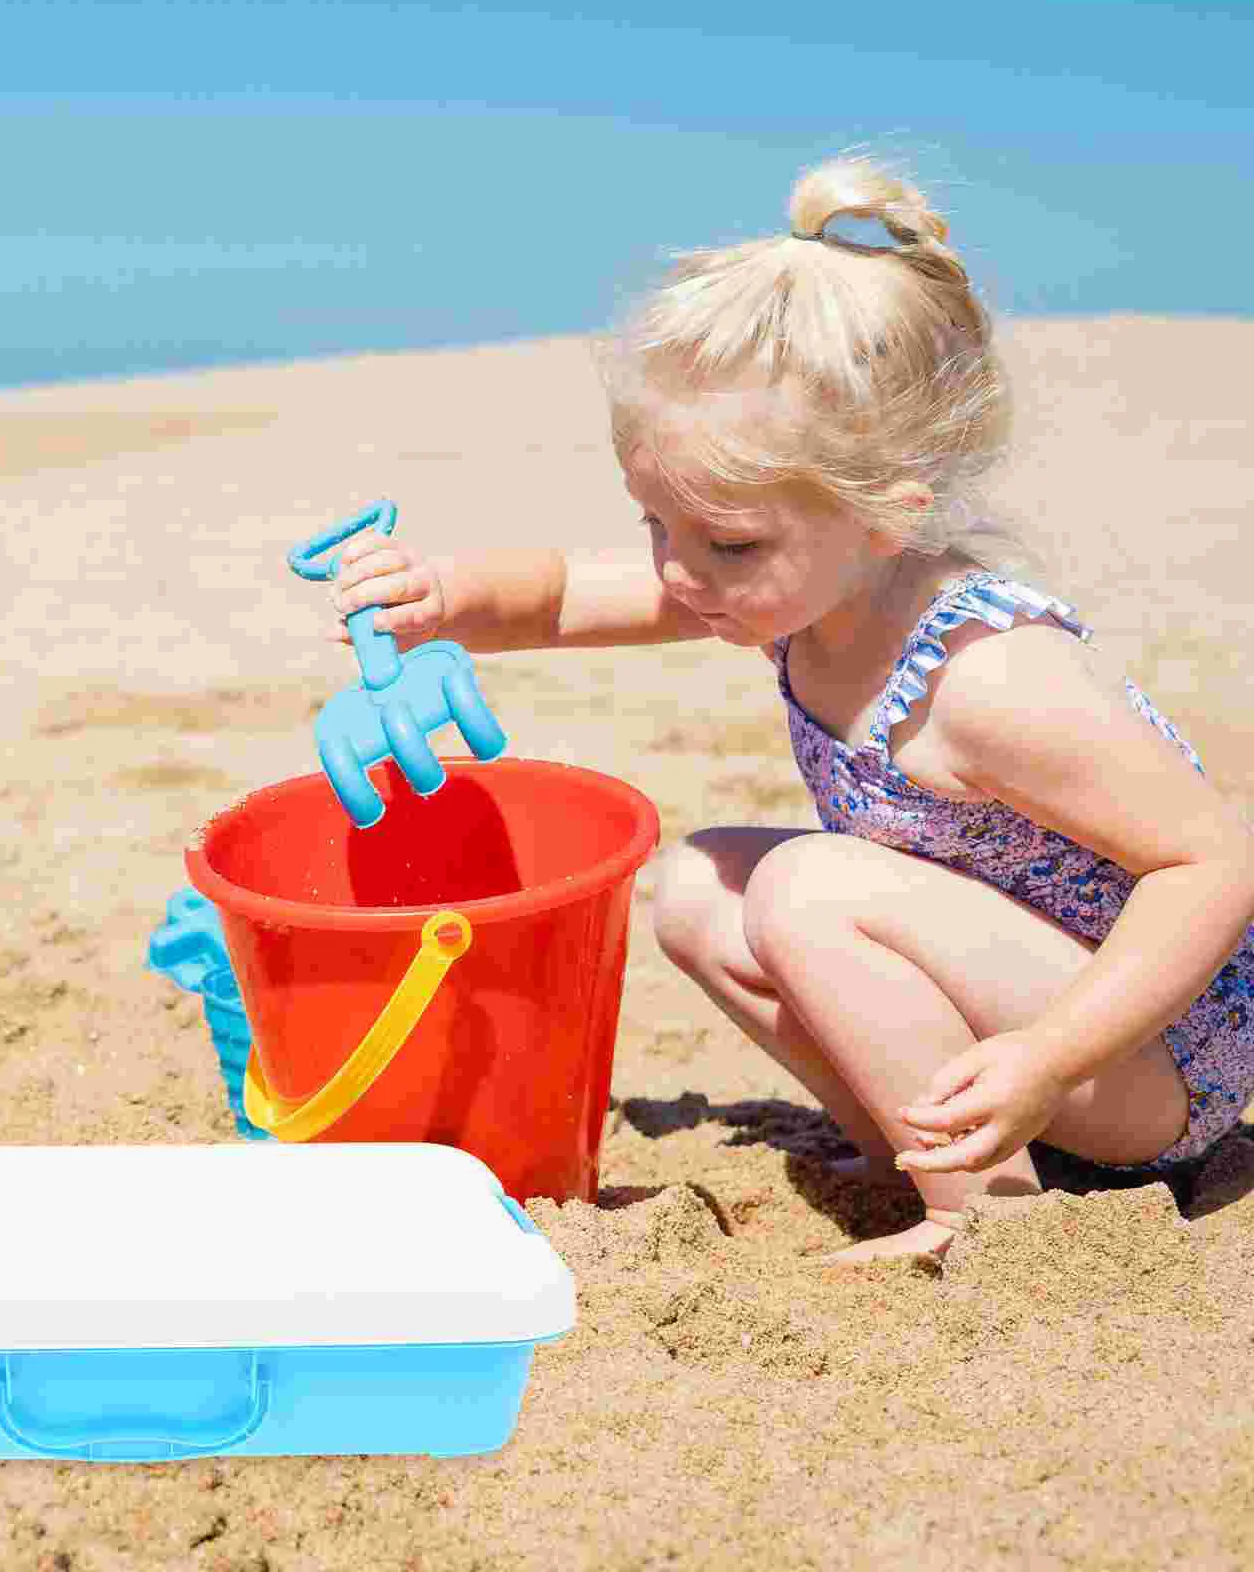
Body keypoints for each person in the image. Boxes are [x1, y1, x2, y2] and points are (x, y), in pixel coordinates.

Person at [320, 155, 1254, 1263]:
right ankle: (923, 1147)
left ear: (886, 516)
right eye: (654, 523)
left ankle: (987, 1218)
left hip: (1149, 1059)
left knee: (807, 884)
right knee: (702, 891)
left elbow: (1212, 865)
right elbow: (567, 595)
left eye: (723, 540)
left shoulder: (989, 677)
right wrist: (441, 597)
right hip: (1031, 1024)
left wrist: (1049, 1056)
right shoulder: (787, 586)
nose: (674, 571)